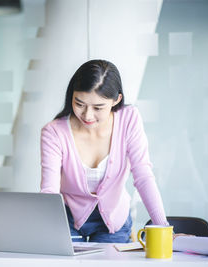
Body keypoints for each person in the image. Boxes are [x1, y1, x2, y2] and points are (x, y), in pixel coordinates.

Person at [40, 59, 169, 243]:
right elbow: (49, 191)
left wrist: (163, 226)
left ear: (116, 100)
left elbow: (143, 175)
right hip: (67, 219)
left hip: (114, 220)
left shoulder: (129, 119)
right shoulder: (53, 132)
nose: (87, 115)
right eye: (80, 104)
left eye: (98, 107)